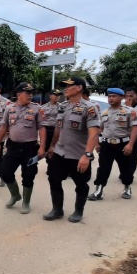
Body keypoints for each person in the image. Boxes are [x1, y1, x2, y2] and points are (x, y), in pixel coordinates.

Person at [44, 77, 101, 223]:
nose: (65, 89)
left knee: (81, 184)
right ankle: (57, 209)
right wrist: (52, 146)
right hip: (60, 151)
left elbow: (94, 132)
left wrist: (87, 155)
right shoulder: (63, 106)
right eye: (64, 86)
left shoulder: (90, 107)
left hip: (78, 154)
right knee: (54, 179)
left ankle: (78, 211)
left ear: (79, 88)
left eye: (68, 86)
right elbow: (58, 128)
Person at [0, 83, 45, 214]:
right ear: (18, 94)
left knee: (28, 175)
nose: (30, 95)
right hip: (12, 146)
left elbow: (42, 128)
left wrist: (43, 147)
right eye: (27, 93)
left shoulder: (36, 108)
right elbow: (4, 127)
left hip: (30, 148)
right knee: (4, 171)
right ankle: (15, 195)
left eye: (31, 93)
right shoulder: (9, 108)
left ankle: (26, 202)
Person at [88, 88, 137, 201]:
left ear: (122, 98)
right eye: (109, 96)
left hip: (123, 144)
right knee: (103, 168)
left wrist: (130, 145)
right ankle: (99, 190)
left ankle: (127, 187)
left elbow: (135, 128)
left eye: (114, 96)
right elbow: (99, 129)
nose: (111, 98)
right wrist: (97, 144)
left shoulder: (130, 111)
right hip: (106, 144)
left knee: (126, 168)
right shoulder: (104, 112)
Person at [40, 89, 61, 176]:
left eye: (58, 95)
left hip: (57, 131)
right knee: (46, 149)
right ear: (50, 96)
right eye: (55, 95)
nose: (57, 96)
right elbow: (41, 120)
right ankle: (50, 164)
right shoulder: (43, 107)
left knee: (56, 150)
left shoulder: (62, 107)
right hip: (46, 130)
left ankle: (54, 167)